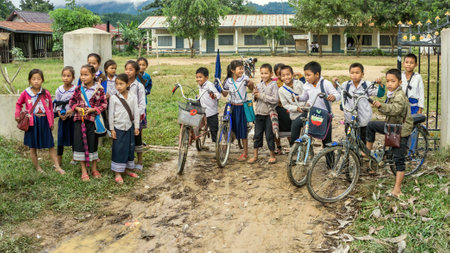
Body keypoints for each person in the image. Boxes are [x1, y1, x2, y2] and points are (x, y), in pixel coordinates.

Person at [367, 69, 413, 197]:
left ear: (400, 82)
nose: (389, 84)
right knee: (371, 125)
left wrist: (381, 106)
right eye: (387, 81)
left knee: (399, 159)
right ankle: (367, 154)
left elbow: (395, 110)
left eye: (393, 81)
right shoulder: (391, 93)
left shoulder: (399, 96)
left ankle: (397, 189)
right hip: (392, 125)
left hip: (400, 129)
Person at [15, 69, 65, 175]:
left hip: (44, 122)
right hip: (32, 124)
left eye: (38, 79)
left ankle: (57, 166)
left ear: (42, 80)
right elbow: (18, 104)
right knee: (33, 147)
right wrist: (17, 114)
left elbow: (51, 108)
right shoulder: (26, 93)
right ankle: (38, 168)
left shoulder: (45, 93)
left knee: (50, 145)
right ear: (29, 80)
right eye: (33, 79)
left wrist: (51, 122)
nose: (36, 81)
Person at [69, 64, 107, 181]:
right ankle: (84, 170)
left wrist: (94, 110)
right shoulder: (78, 89)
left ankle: (94, 168)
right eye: (81, 75)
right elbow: (71, 101)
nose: (83, 77)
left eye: (86, 75)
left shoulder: (99, 89)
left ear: (93, 75)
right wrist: (77, 108)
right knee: (79, 144)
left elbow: (104, 104)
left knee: (93, 144)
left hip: (92, 121)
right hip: (79, 121)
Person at [332, 63, 385, 144]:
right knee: (350, 139)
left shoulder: (367, 85)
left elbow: (380, 94)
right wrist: (335, 85)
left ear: (362, 74)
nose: (354, 75)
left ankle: (363, 154)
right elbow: (337, 95)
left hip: (364, 119)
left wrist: (381, 84)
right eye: (352, 73)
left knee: (363, 140)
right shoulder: (346, 85)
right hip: (349, 119)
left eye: (357, 73)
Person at [298, 61, 341, 152]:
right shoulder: (306, 85)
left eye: (308, 75)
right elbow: (305, 97)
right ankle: (309, 156)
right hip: (312, 114)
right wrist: (298, 98)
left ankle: (330, 164)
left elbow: (337, 95)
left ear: (317, 74)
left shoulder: (325, 83)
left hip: (325, 115)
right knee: (309, 134)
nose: (306, 78)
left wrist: (333, 97)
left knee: (326, 141)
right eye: (305, 75)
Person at [109, 74, 140, 183]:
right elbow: (111, 115)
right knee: (118, 149)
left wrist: (136, 126)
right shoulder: (113, 98)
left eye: (121, 84)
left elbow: (136, 112)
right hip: (118, 127)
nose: (118, 86)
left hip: (129, 127)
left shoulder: (133, 97)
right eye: (116, 84)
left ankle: (126, 169)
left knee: (129, 148)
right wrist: (112, 129)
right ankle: (118, 173)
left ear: (128, 84)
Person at [221, 60, 255, 162]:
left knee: (242, 129)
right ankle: (223, 150)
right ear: (232, 70)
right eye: (239, 68)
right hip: (230, 106)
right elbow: (225, 94)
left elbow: (251, 88)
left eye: (242, 68)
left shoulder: (244, 78)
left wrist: (250, 83)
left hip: (241, 107)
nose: (242, 70)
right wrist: (220, 87)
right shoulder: (228, 81)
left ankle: (245, 153)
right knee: (226, 128)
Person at [249, 63, 278, 164]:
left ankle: (272, 155)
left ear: (271, 74)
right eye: (262, 73)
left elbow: (275, 100)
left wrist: (260, 95)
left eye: (266, 73)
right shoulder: (259, 85)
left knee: (269, 135)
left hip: (269, 114)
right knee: (257, 135)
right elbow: (255, 98)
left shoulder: (274, 85)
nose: (264, 75)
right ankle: (255, 155)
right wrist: (255, 95)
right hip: (259, 114)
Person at [125, 60, 146, 171]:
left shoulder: (138, 86)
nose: (128, 72)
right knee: (127, 139)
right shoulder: (122, 84)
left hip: (136, 117)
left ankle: (140, 160)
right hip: (124, 117)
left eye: (131, 69)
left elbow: (142, 103)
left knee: (137, 138)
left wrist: (137, 114)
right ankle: (129, 160)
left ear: (136, 71)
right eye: (126, 69)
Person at [278, 65, 306, 146]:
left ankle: (307, 150)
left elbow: (306, 95)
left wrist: (306, 105)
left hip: (305, 112)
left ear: (293, 74)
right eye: (283, 75)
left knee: (307, 134)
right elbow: (285, 104)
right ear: (280, 77)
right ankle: (293, 151)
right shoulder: (281, 90)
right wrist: (296, 108)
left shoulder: (300, 83)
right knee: (294, 135)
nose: (286, 77)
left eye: (288, 74)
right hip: (295, 115)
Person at [54, 66, 76, 166]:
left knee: (74, 137)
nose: (66, 78)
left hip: (72, 118)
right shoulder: (59, 90)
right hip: (62, 119)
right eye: (64, 76)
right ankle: (59, 159)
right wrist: (59, 113)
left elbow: (78, 102)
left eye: (68, 76)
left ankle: (74, 157)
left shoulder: (76, 90)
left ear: (73, 78)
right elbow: (57, 103)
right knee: (60, 138)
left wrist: (72, 109)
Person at [196, 67, 221, 143]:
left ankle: (216, 144)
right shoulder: (200, 86)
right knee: (198, 124)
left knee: (214, 129)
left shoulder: (209, 85)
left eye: (200, 77)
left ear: (206, 78)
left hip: (211, 111)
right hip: (203, 110)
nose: (198, 79)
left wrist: (214, 95)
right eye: (197, 77)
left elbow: (218, 95)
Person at [273, 63, 291, 154]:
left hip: (288, 108)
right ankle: (278, 146)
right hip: (278, 108)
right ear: (276, 74)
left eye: (283, 73)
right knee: (276, 129)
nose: (281, 75)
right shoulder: (274, 83)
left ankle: (292, 146)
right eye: (278, 73)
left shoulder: (291, 81)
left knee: (289, 129)